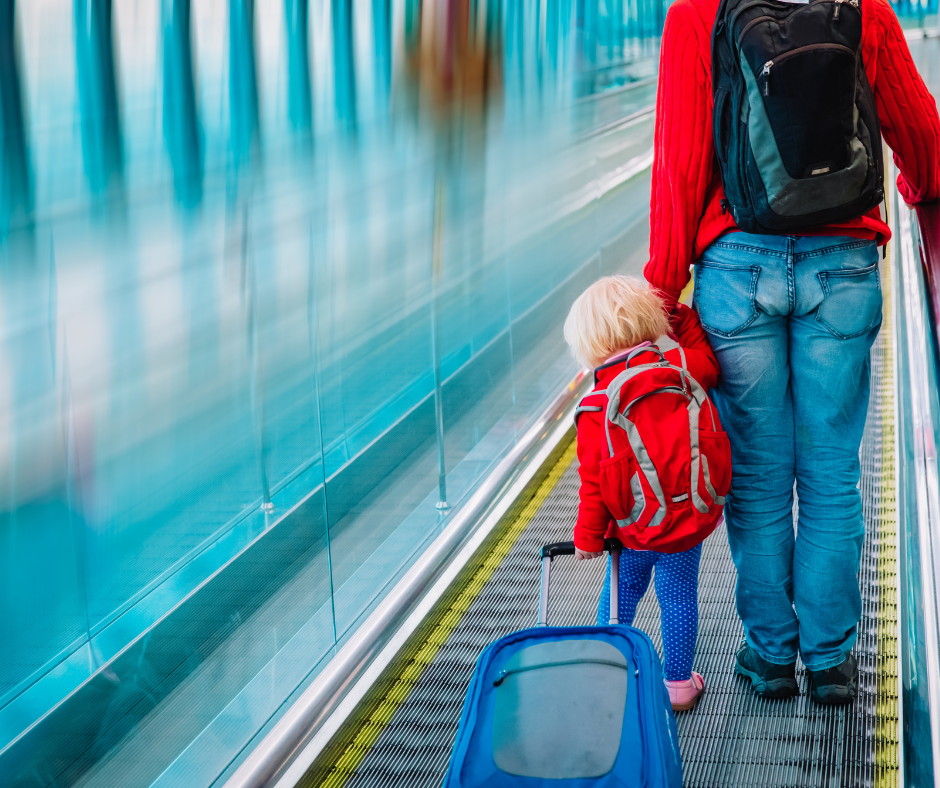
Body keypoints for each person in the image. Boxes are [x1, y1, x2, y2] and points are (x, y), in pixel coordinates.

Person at [645, 0, 940, 704]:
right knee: (834, 471)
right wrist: (916, 187)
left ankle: (771, 656)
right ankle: (832, 662)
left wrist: (661, 293)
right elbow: (923, 136)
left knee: (759, 476)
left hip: (735, 269)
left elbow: (680, 161)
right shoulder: (863, 7)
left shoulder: (697, 13)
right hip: (842, 263)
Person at [565, 275, 721, 712]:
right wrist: (683, 318)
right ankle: (678, 687)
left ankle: (610, 672)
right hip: (688, 518)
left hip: (631, 529)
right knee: (678, 595)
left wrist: (587, 538)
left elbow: (594, 481)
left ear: (591, 343)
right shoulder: (679, 370)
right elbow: (711, 366)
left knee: (621, 594)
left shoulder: (597, 405)